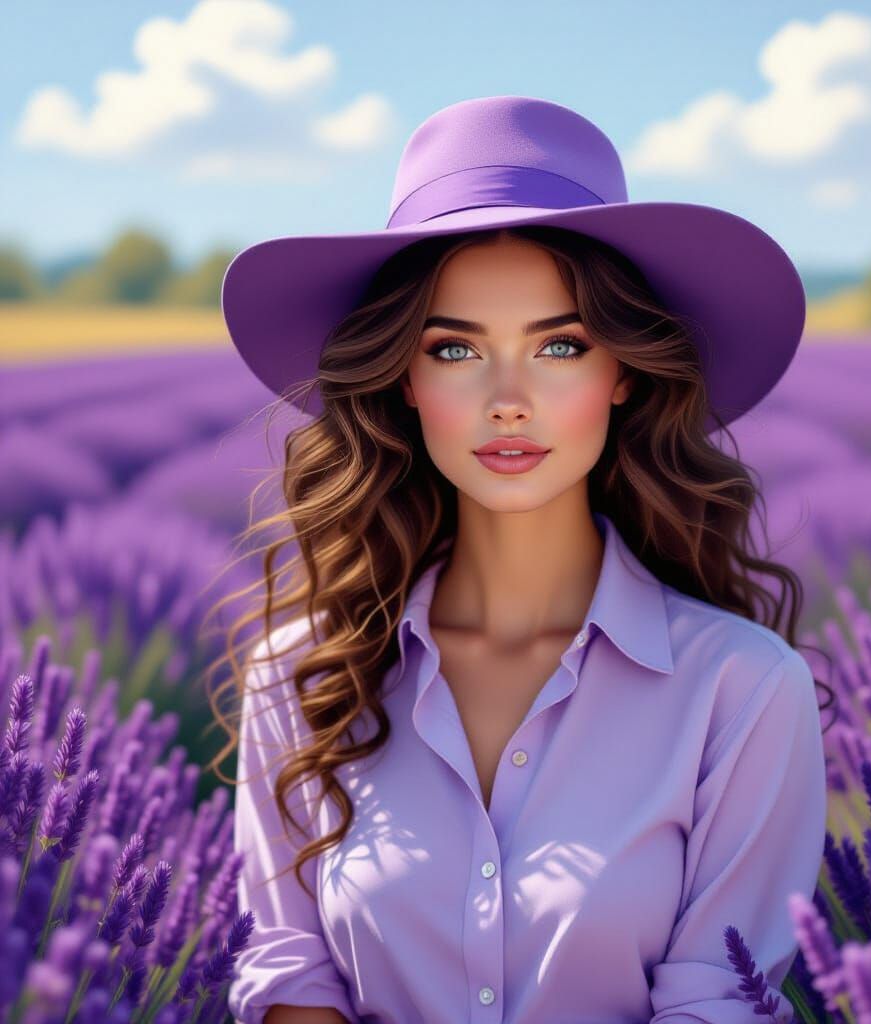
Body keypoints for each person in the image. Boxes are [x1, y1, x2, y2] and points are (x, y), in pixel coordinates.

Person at [216, 95, 834, 1024]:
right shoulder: (302, 678)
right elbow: (290, 973)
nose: (509, 400)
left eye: (559, 345)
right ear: (405, 380)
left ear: (622, 372)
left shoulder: (740, 692)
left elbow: (720, 997)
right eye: (458, 347)